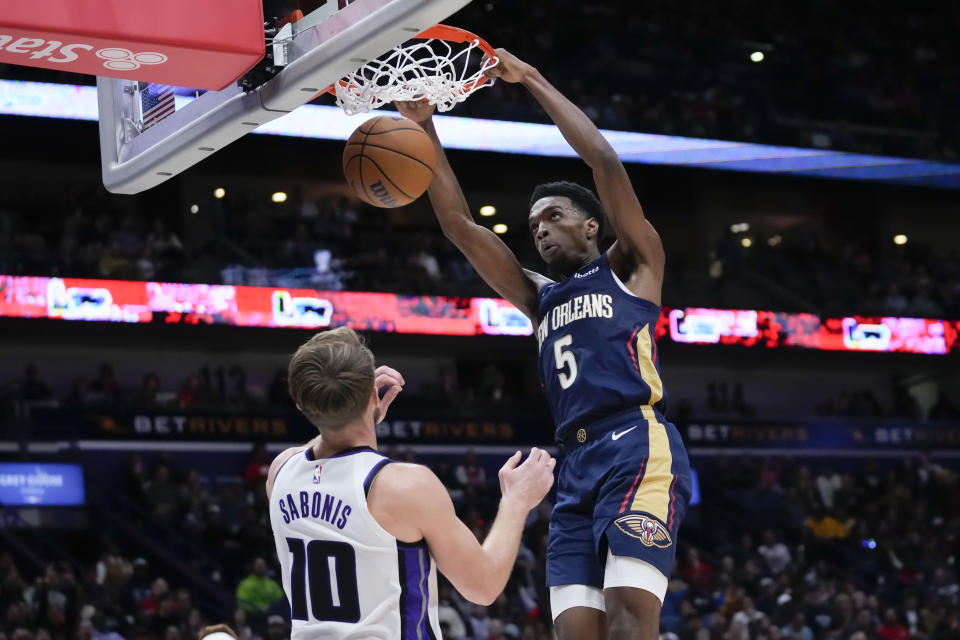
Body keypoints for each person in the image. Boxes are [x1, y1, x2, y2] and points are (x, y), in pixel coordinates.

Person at [396, 46, 692, 640]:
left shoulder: (632, 265)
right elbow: (458, 225)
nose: (540, 231)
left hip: (635, 444)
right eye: (533, 227)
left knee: (630, 621)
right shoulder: (540, 298)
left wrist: (529, 77)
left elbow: (604, 162)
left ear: (589, 224)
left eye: (552, 217)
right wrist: (423, 125)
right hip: (573, 463)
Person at [265, 327, 555, 639]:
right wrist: (516, 502)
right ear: (374, 394)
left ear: (300, 405)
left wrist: (358, 412)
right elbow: (483, 587)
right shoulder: (403, 487)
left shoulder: (280, 472)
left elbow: (324, 443)